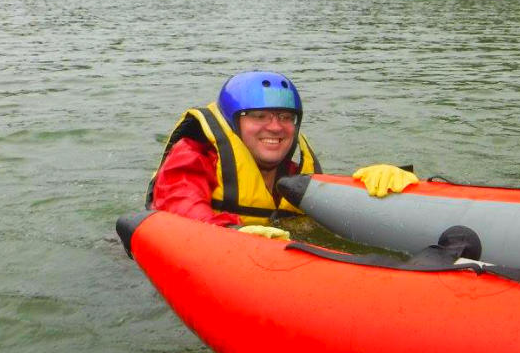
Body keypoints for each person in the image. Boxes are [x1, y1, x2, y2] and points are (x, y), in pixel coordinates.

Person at [147, 70, 418, 237]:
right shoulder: (194, 157)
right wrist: (232, 234)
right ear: (233, 123)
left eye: (285, 117)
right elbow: (180, 205)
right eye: (259, 116)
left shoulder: (294, 173)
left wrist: (374, 189)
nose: (276, 127)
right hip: (209, 252)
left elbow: (332, 214)